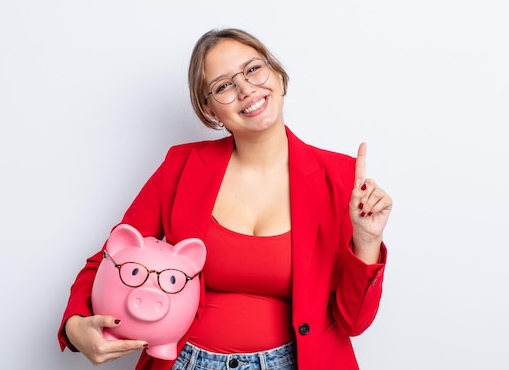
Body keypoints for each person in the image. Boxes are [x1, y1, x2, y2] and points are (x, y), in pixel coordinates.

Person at [58, 28, 393, 370]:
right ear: (210, 111)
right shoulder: (182, 166)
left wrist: (367, 241)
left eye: (252, 69)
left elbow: (354, 322)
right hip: (188, 362)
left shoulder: (341, 178)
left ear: (277, 75)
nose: (246, 89)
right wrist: (75, 325)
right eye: (223, 86)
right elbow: (112, 254)